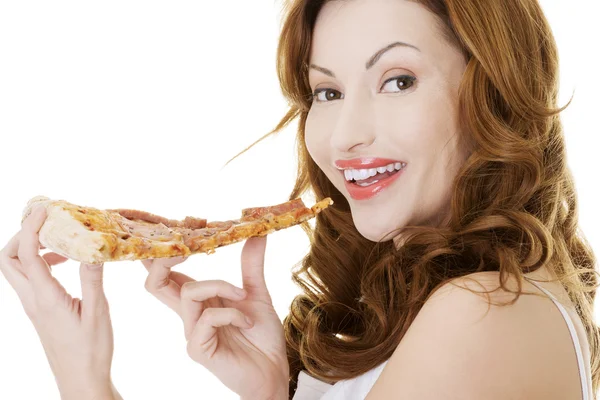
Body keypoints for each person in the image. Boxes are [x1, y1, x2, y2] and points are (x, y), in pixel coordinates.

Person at [1, 0, 598, 399]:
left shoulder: (483, 311)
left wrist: (81, 375)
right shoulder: (445, 303)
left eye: (398, 80)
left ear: (493, 90)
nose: (343, 137)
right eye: (327, 91)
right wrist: (274, 391)